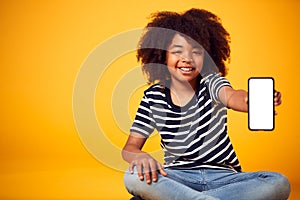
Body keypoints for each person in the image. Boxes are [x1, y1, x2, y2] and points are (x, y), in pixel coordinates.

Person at [122, 8, 290, 200]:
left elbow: (233, 96)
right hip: (177, 177)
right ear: (162, 55)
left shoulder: (211, 83)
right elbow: (130, 148)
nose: (187, 58)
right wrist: (139, 156)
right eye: (178, 51)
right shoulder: (153, 97)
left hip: (224, 177)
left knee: (278, 182)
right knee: (133, 177)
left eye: (196, 52)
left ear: (207, 57)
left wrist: (250, 101)